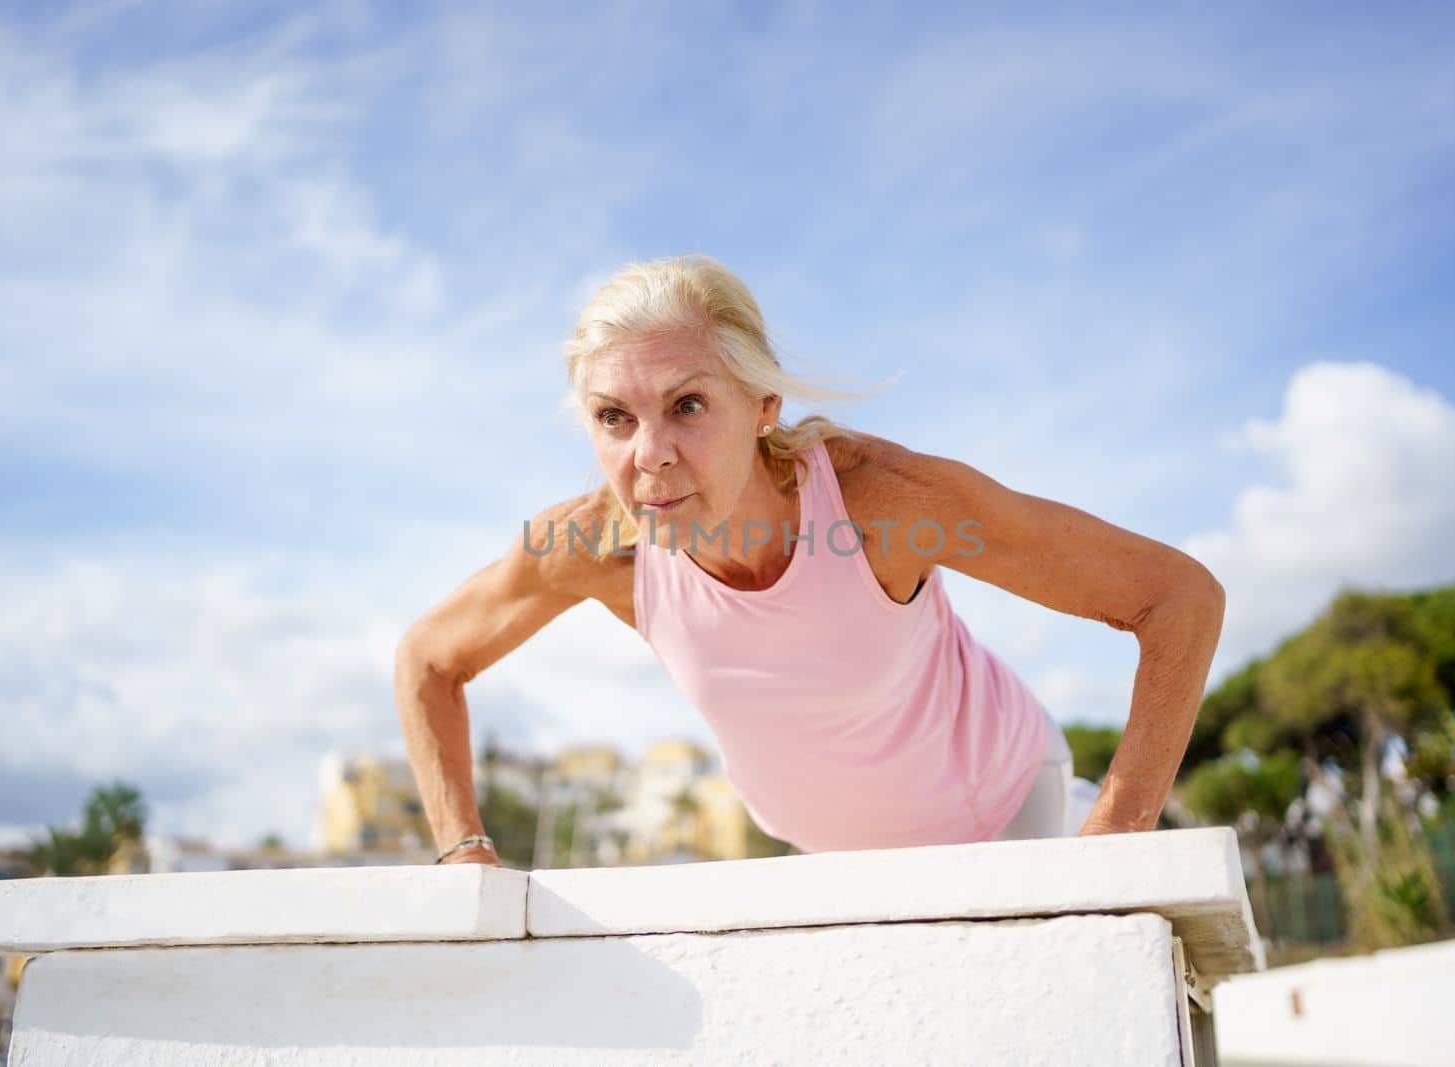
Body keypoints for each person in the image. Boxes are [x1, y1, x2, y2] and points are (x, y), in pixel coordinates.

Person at [395, 256, 1225, 867]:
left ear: (763, 405)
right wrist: (465, 851)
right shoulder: (597, 548)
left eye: (687, 404)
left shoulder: (883, 506)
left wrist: (1111, 851)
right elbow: (429, 658)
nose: (651, 454)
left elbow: (1177, 597)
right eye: (615, 417)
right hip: (835, 862)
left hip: (1016, 821)